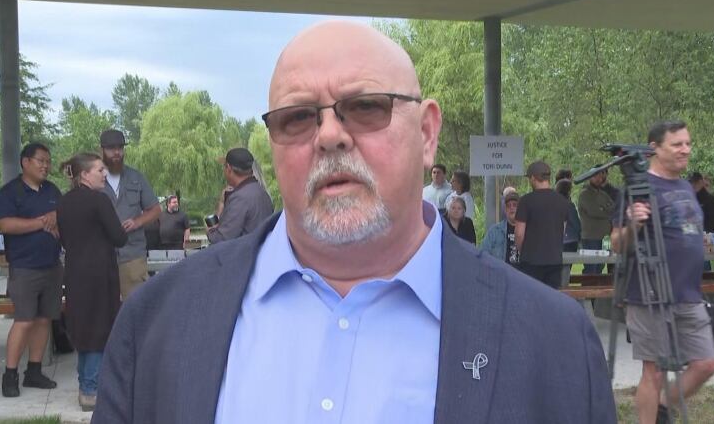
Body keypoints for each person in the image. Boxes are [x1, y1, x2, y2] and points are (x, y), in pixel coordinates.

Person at [92, 21, 615, 424]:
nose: (329, 136)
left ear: (427, 132)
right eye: (297, 117)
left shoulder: (554, 341)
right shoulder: (156, 322)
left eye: (365, 107)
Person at [611, 120, 714, 424]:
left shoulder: (685, 186)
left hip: (688, 293)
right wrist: (633, 224)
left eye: (688, 143)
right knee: (654, 370)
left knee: (708, 362)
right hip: (649, 292)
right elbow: (618, 244)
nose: (685, 149)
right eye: (677, 144)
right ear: (654, 149)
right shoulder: (638, 187)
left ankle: (661, 404)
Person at [57, 153, 127, 411]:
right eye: (99, 169)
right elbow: (119, 237)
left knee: (83, 326)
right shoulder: (99, 201)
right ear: (84, 174)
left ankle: (85, 384)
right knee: (99, 327)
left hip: (75, 272)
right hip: (99, 274)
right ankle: (90, 389)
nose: (104, 173)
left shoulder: (63, 203)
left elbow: (64, 239)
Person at [0, 142, 62, 398]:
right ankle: (9, 375)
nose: (46, 165)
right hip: (24, 268)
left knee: (44, 319)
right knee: (23, 321)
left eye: (48, 161)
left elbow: (62, 216)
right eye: (41, 160)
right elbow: (7, 225)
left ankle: (34, 372)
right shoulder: (10, 193)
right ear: (25, 162)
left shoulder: (53, 190)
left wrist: (56, 218)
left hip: (52, 266)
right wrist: (41, 222)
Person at [99, 129, 160, 298]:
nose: (117, 152)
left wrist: (137, 222)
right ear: (101, 150)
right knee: (105, 309)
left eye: (120, 147)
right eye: (111, 148)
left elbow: (155, 210)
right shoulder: (93, 177)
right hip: (101, 257)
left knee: (135, 307)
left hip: (133, 255)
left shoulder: (136, 177)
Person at [514, 161, 570, 289]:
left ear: (533, 178)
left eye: (529, 178)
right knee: (551, 301)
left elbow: (519, 233)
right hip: (554, 260)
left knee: (531, 301)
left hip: (531, 261)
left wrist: (524, 251)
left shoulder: (525, 201)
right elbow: (562, 232)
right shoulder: (563, 201)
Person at [206, 148, 274, 243]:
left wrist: (211, 230)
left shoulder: (239, 198)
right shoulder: (262, 193)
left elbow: (221, 239)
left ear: (229, 168)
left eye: (224, 167)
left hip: (245, 255)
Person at [578, 166, 614, 274]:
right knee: (591, 268)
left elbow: (614, 208)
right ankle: (587, 290)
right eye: (596, 176)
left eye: (601, 176)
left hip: (605, 238)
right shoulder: (585, 194)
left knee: (601, 266)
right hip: (591, 237)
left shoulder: (604, 194)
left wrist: (605, 208)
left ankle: (598, 290)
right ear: (590, 177)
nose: (599, 179)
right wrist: (606, 210)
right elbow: (594, 211)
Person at [480, 191, 520, 265]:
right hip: (501, 274)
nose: (511, 208)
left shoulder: (528, 230)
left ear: (521, 208)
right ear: (505, 210)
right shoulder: (494, 231)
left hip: (521, 275)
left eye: (515, 205)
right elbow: (483, 254)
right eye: (508, 205)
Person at [556, 179, 581, 288]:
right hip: (569, 240)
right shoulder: (569, 205)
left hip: (556, 240)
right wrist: (580, 236)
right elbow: (576, 224)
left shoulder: (554, 204)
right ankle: (563, 290)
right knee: (565, 269)